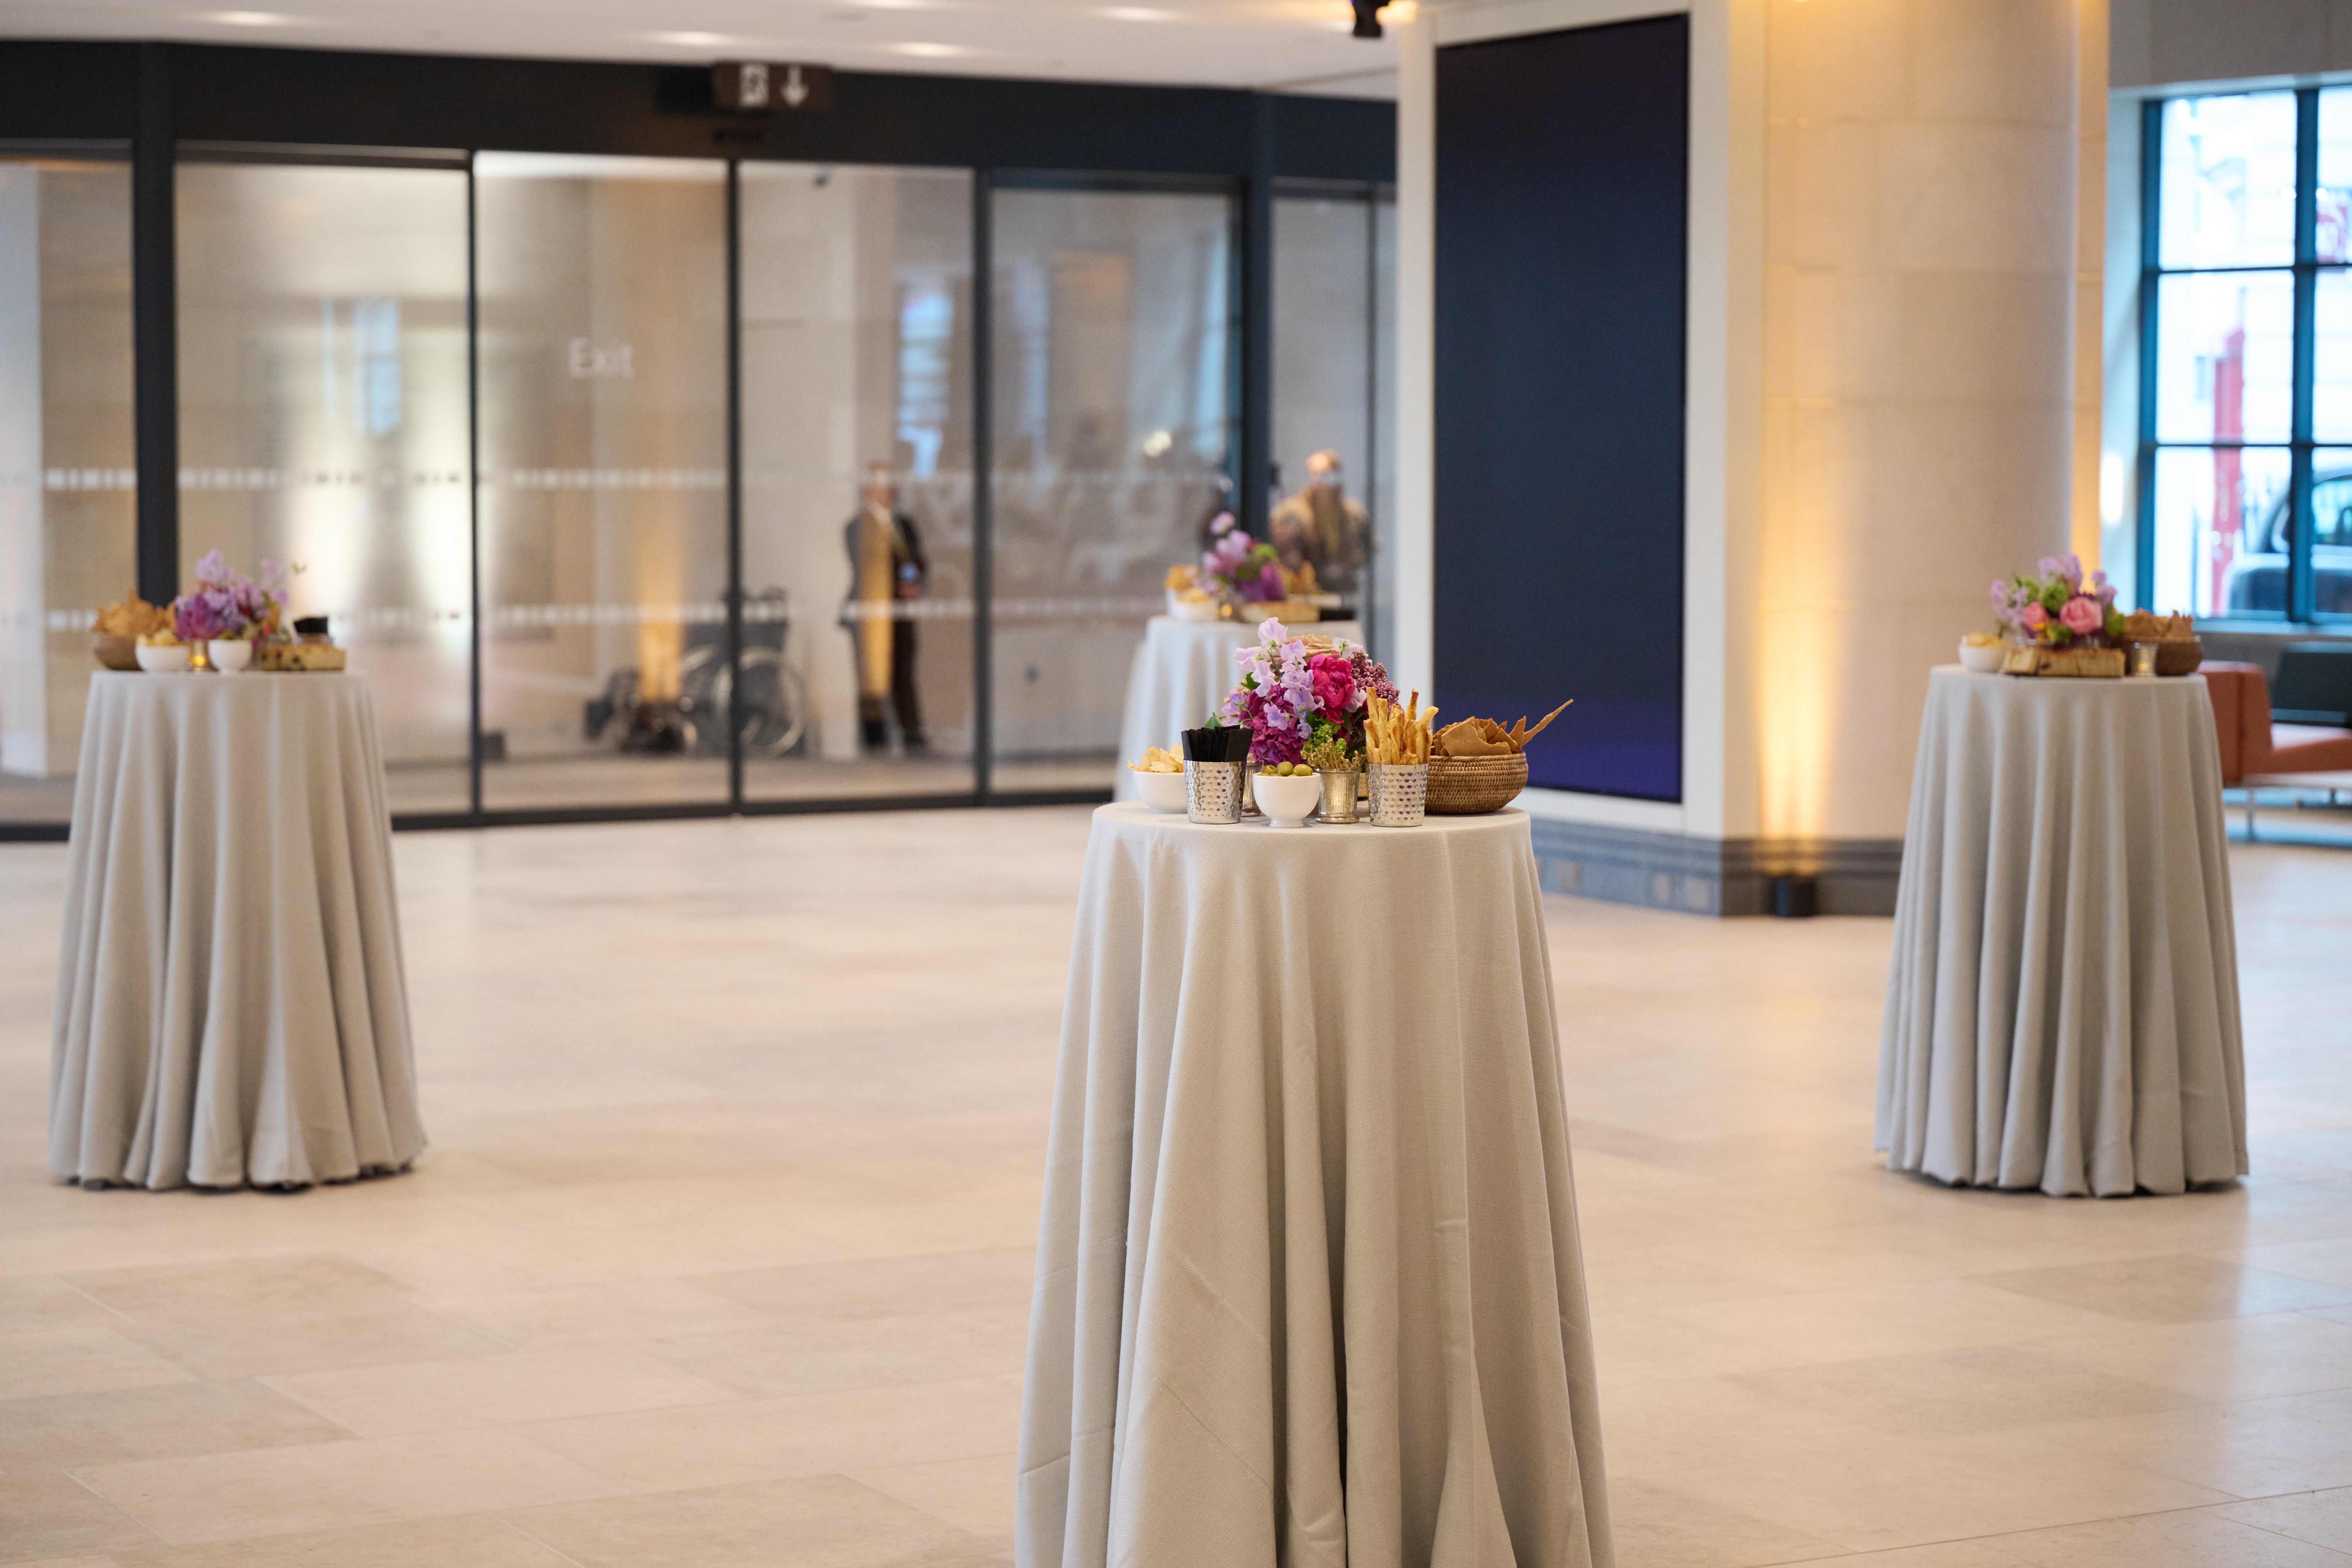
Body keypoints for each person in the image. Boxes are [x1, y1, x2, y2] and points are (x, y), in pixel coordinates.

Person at [842, 460, 928, 752]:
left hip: (900, 612)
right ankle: (874, 735)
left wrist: (910, 582)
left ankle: (911, 730)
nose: (889, 489)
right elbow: (867, 567)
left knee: (903, 669)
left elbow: (912, 560)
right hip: (870, 613)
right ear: (869, 489)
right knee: (870, 674)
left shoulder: (904, 525)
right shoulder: (857, 527)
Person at [1270, 450, 1370, 602]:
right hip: (1304, 599)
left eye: (1331, 475)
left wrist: (1349, 566)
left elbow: (1368, 548)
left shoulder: (1353, 513)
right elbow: (1281, 554)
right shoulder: (1293, 512)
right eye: (1319, 475)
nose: (1325, 483)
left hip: (1344, 595)